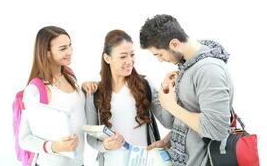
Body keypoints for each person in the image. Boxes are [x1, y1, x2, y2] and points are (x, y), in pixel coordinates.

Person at [140, 14, 233, 166]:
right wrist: (168, 140)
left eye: (159, 54)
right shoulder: (187, 67)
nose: (160, 60)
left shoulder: (209, 70)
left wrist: (171, 105)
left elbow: (216, 129)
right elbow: (186, 121)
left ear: (174, 44)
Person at [85, 29, 173, 166]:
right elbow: (91, 138)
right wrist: (106, 146)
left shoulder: (145, 85)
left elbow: (168, 122)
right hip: (111, 162)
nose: (130, 61)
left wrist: (166, 93)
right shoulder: (94, 93)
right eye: (123, 56)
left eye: (132, 55)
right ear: (107, 58)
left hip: (145, 161)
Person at [19, 26, 86, 166]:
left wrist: (87, 88)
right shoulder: (35, 91)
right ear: (47, 53)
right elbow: (24, 139)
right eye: (63, 48)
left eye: (70, 46)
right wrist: (55, 147)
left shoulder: (70, 76)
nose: (69, 52)